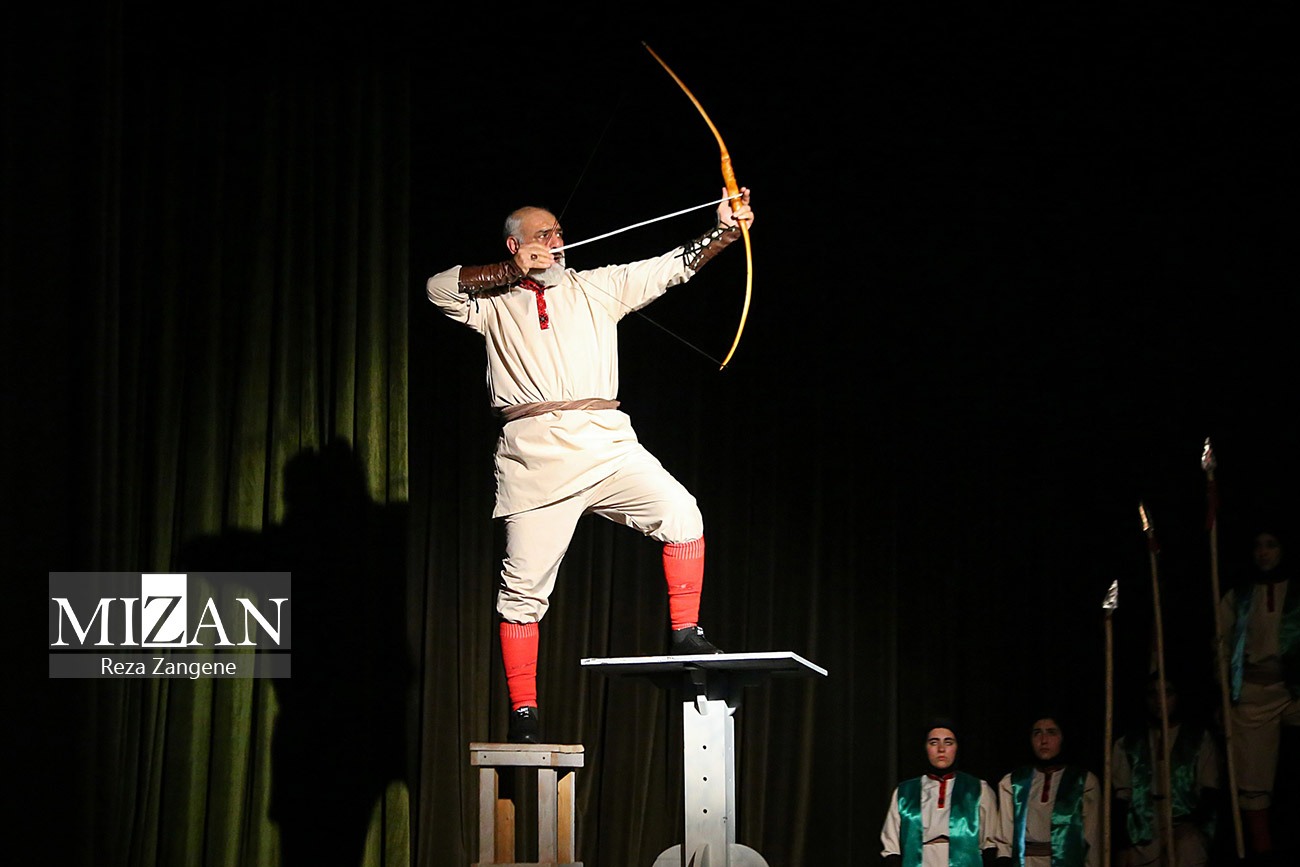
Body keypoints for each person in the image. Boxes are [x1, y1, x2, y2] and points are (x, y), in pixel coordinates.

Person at [425, 188, 754, 743]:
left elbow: (671, 267)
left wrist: (723, 231)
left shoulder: (595, 286)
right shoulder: (493, 304)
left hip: (606, 445)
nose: (556, 242)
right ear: (515, 246)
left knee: (682, 514)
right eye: (542, 235)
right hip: (535, 460)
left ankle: (686, 633)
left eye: (558, 233)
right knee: (522, 593)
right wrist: (508, 273)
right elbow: (437, 288)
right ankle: (524, 711)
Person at [1217, 526, 1299, 863]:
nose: (1263, 553)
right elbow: (1221, 644)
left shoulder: (1296, 590)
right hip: (1252, 695)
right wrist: (1224, 691)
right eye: (1258, 546)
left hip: (1293, 691)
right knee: (1253, 779)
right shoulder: (1239, 595)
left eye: (1271, 545)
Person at [1111, 672, 1219, 867]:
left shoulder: (1198, 738)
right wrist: (1122, 843)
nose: (1159, 701)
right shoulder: (1128, 743)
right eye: (1152, 694)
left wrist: (1193, 825)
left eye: (1167, 693)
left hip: (1186, 829)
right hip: (1141, 830)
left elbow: (1210, 789)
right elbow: (1121, 797)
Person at [881, 719, 1001, 867]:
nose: (941, 749)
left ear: (957, 747)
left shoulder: (978, 789)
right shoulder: (905, 792)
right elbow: (891, 848)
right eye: (934, 742)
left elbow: (990, 844)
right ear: (925, 748)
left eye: (948, 742)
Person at [996, 713, 1100, 867]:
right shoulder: (1013, 782)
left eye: (1051, 732)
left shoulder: (1083, 782)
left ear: (1063, 737)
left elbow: (1093, 838)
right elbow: (1004, 840)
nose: (1043, 740)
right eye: (1037, 733)